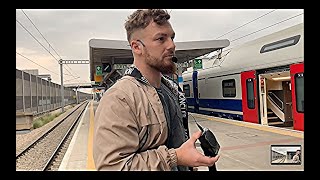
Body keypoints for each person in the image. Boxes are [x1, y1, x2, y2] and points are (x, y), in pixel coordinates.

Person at [93, 9, 219, 171]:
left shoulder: (172, 91)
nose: (171, 45)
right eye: (161, 39)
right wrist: (175, 157)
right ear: (137, 47)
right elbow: (112, 167)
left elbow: (177, 142)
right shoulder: (119, 98)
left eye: (172, 37)